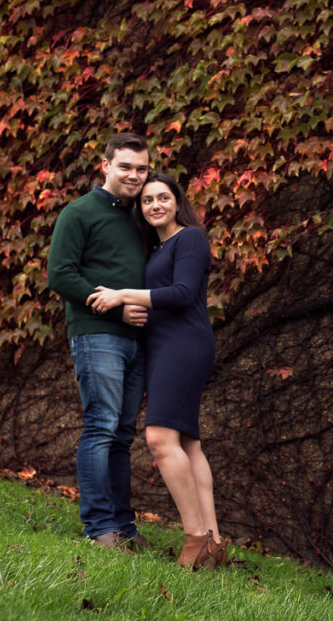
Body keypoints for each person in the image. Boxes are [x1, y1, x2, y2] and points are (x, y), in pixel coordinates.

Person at [86, 172, 227, 569]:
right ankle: (213, 542)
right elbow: (163, 300)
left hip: (184, 346)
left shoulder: (190, 238)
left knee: (160, 439)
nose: (155, 206)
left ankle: (195, 538)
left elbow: (182, 294)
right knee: (188, 443)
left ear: (177, 201)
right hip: (167, 344)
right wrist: (136, 311)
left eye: (163, 198)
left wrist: (122, 295)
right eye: (147, 201)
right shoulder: (160, 247)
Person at [47, 132, 152, 553]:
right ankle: (99, 528)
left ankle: (124, 526)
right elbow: (61, 275)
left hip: (138, 340)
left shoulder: (144, 216)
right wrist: (117, 308)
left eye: (141, 168)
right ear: (105, 165)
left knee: (124, 433)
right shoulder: (79, 213)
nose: (133, 175)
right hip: (97, 334)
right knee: (102, 426)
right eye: (124, 166)